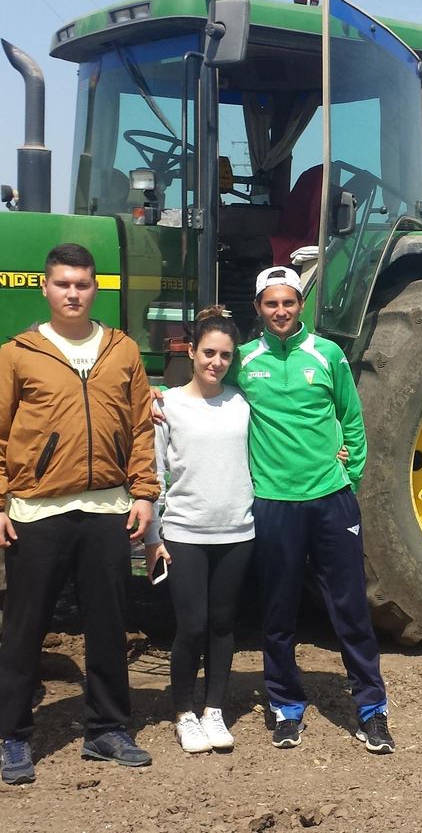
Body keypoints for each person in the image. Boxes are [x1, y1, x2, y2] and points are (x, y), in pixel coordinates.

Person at [0, 242, 159, 785]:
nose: (72, 294)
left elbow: (140, 428)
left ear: (95, 288)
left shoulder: (122, 350)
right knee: (25, 627)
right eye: (63, 284)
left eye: (81, 284)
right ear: (46, 288)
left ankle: (107, 729)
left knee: (109, 625)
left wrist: (144, 493)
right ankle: (13, 735)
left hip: (108, 509)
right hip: (36, 512)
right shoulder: (18, 353)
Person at [238, 266, 394, 754]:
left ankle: (371, 709)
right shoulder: (244, 360)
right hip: (274, 501)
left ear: (300, 305)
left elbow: (351, 418)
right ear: (258, 308)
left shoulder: (327, 355)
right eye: (271, 303)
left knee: (350, 609)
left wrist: (350, 478)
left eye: (288, 302)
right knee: (278, 611)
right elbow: (208, 399)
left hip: (330, 500)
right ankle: (286, 706)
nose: (280, 311)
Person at [143, 306, 256, 755]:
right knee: (191, 627)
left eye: (225, 355)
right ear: (191, 352)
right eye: (209, 352)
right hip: (185, 532)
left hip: (237, 531)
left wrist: (335, 449)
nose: (216, 362)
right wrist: (153, 538)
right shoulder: (166, 405)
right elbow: (153, 474)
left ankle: (214, 710)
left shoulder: (243, 403)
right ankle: (184, 713)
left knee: (223, 625)